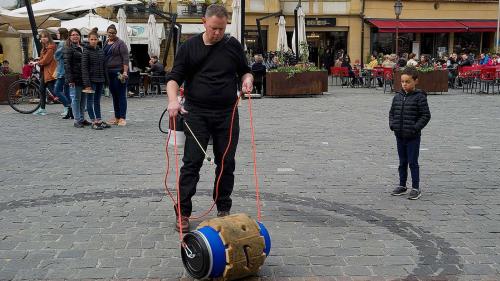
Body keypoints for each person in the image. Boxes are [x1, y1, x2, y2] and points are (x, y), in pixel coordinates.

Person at [166, 4, 253, 232]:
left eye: (222, 29)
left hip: (228, 113)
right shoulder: (189, 47)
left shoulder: (232, 45)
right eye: (214, 28)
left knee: (226, 162)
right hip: (197, 114)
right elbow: (174, 79)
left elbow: (245, 70)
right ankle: (183, 213)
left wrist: (247, 80)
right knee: (191, 164)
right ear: (204, 23)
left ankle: (223, 207)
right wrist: (173, 100)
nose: (217, 33)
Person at [389, 66, 431, 200]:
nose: (404, 84)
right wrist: (393, 125)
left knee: (413, 162)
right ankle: (402, 185)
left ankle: (415, 187)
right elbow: (392, 113)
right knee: (402, 162)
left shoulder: (420, 97)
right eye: (402, 82)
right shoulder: (397, 96)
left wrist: (415, 128)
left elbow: (425, 115)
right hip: (399, 135)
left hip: (412, 136)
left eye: (407, 81)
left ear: (415, 81)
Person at [82, 30, 110, 130]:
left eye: (95, 39)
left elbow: (104, 66)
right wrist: (87, 83)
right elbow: (84, 68)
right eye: (92, 39)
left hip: (100, 79)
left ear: (98, 40)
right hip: (91, 80)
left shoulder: (100, 51)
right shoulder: (86, 51)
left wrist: (106, 80)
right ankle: (93, 121)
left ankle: (99, 120)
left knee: (97, 101)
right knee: (90, 101)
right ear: (88, 40)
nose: (93, 41)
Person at [104, 24, 129, 126]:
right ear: (107, 33)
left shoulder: (121, 43)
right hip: (109, 72)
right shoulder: (106, 43)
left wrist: (125, 72)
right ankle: (117, 117)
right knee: (114, 95)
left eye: (113, 33)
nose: (111, 34)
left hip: (119, 72)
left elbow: (125, 58)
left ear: (116, 33)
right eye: (110, 33)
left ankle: (122, 118)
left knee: (121, 95)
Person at [64, 28, 89, 128]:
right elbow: (67, 65)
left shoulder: (83, 47)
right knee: (75, 99)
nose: (75, 36)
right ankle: (77, 120)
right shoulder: (68, 48)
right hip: (74, 77)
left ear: (80, 36)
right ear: (70, 37)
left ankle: (82, 119)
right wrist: (70, 79)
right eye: (73, 35)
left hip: (84, 77)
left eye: (77, 34)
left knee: (83, 99)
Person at [33, 30, 57, 116]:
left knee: (55, 91)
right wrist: (37, 60)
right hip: (45, 71)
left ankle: (68, 106)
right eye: (42, 37)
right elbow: (43, 58)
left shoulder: (51, 47)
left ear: (48, 38)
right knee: (42, 89)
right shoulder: (44, 48)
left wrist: (37, 63)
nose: (43, 38)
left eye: (45, 37)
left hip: (49, 71)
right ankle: (42, 109)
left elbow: (46, 60)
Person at [54, 27, 73, 119]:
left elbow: (57, 56)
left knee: (57, 90)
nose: (56, 35)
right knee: (67, 92)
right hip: (67, 70)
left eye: (58, 33)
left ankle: (69, 106)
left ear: (61, 34)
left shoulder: (62, 43)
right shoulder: (68, 42)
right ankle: (71, 112)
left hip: (62, 70)